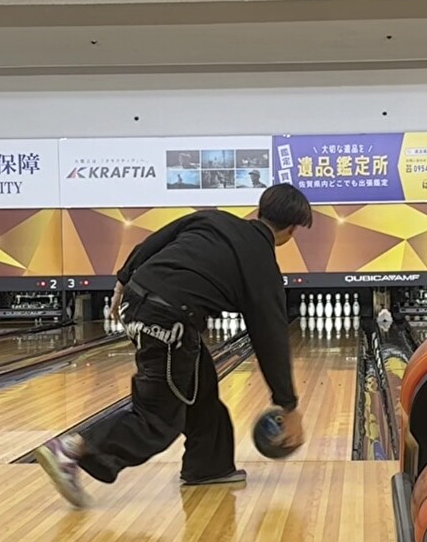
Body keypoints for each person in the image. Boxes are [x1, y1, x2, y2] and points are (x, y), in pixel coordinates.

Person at [36, 184, 312, 507]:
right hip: (169, 319)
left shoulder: (213, 220)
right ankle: (72, 450)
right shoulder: (263, 266)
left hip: (141, 303)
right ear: (292, 230)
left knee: (200, 390)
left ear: (261, 209)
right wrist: (288, 406)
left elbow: (152, 243)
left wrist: (122, 281)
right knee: (157, 419)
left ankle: (209, 468)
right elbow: (271, 338)